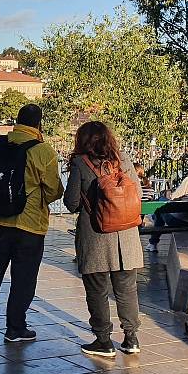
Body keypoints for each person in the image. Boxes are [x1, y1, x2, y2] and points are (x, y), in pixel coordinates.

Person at [0, 104, 64, 342]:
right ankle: (15, 328)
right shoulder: (44, 151)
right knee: (24, 277)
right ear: (39, 124)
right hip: (30, 225)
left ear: (16, 121)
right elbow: (54, 190)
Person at [63, 121, 143, 357]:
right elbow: (136, 193)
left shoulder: (81, 163)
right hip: (127, 235)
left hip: (96, 236)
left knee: (97, 290)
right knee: (127, 289)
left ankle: (103, 340)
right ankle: (131, 338)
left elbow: (72, 203)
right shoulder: (123, 158)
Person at [144, 159, 188, 252]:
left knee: (160, 203)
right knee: (161, 210)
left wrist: (168, 195)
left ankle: (153, 243)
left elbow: (175, 197)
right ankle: (153, 239)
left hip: (179, 219)